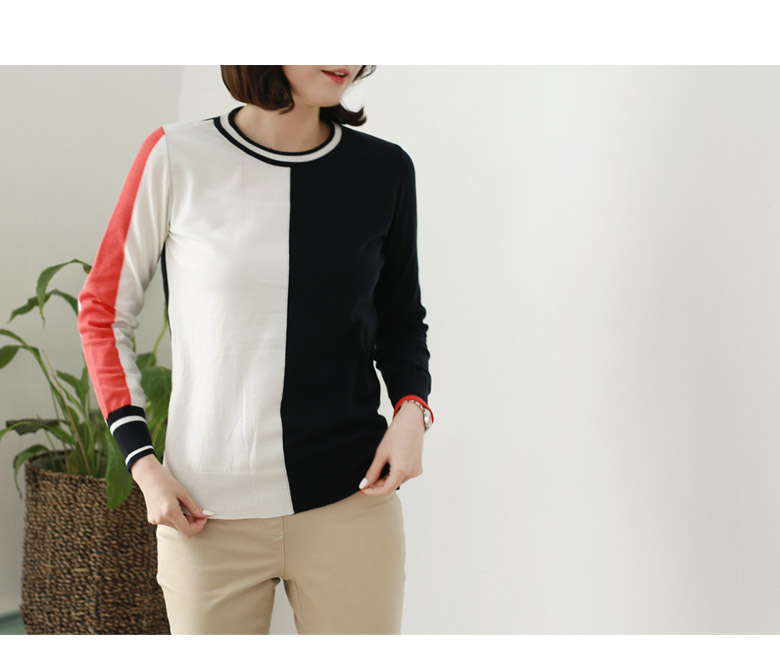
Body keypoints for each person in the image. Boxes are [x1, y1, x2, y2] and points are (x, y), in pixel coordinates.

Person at [76, 65, 434, 635]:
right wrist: (142, 465)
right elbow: (103, 311)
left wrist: (411, 411)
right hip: (205, 513)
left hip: (351, 503)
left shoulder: (384, 170)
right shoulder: (175, 156)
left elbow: (400, 321)